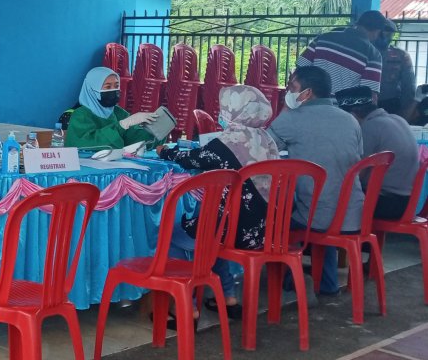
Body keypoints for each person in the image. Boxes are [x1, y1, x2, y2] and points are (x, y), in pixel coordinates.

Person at [160, 85, 281, 319]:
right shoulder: (267, 138)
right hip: (266, 228)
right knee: (215, 231)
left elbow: (192, 159)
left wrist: (164, 151)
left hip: (235, 229)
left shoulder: (226, 142)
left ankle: (185, 306)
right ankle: (227, 296)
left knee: (177, 236)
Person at [267, 66, 364, 296]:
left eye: (292, 87)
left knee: (275, 218)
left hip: (316, 216)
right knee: (323, 199)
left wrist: (285, 110)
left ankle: (290, 278)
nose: (288, 92)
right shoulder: (350, 120)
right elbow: (358, 157)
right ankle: (328, 283)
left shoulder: (292, 119)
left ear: (307, 92)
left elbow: (264, 147)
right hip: (353, 214)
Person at [335, 86, 419, 221]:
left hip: (386, 204)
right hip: (409, 203)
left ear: (352, 115)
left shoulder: (370, 127)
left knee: (330, 198)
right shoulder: (399, 120)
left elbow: (356, 176)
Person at [65, 67, 157, 149]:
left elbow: (134, 140)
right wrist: (121, 126)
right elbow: (87, 143)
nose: (113, 90)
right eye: (108, 86)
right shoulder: (81, 115)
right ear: (92, 90)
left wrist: (154, 132)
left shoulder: (118, 113)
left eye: (116, 86)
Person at [296, 14, 384, 95]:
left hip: (312, 101)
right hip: (343, 106)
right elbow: (369, 93)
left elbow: (301, 67)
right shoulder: (373, 54)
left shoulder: (323, 38)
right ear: (377, 31)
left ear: (358, 23)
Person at [365, 11, 415, 117]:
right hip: (365, 102)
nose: (384, 35)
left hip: (390, 103)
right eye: (381, 32)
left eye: (388, 33)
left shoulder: (401, 55)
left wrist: (405, 111)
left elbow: (408, 86)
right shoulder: (364, 51)